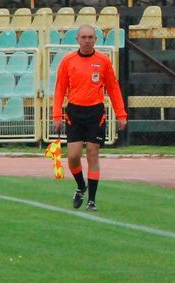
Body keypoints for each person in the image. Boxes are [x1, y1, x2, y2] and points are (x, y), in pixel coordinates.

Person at [53, 24, 128, 212]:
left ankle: (92, 201)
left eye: (90, 37)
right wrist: (56, 115)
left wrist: (121, 114)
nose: (87, 40)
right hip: (74, 113)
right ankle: (80, 186)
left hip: (95, 113)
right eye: (83, 37)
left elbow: (113, 88)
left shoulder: (103, 61)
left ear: (96, 39)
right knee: (73, 156)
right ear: (77, 39)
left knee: (93, 153)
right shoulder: (68, 61)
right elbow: (60, 89)